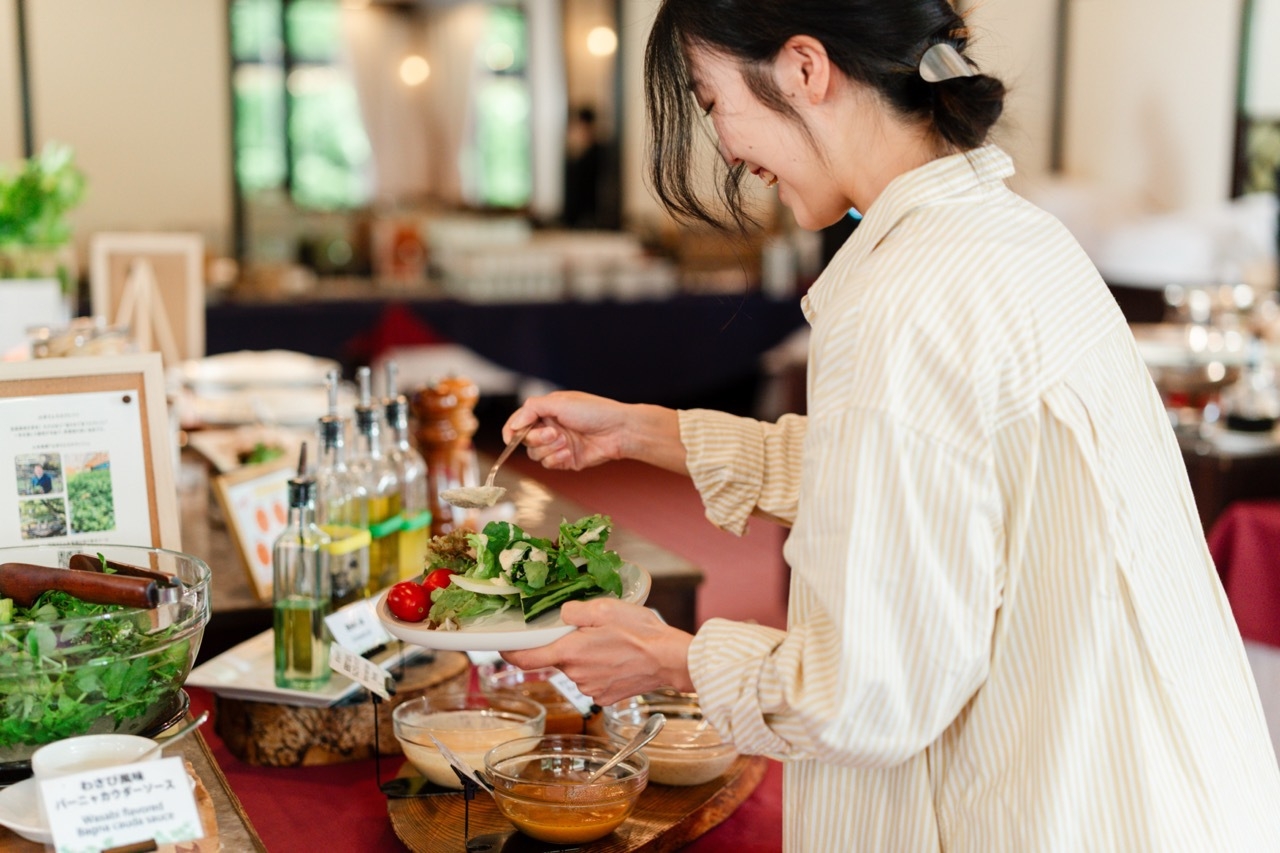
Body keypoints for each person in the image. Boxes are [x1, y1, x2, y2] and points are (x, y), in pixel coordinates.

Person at [499, 1, 1280, 849]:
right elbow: (909, 475)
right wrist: (640, 431)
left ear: (804, 67)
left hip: (1059, 805)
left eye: (713, 99)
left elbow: (871, 692)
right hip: (1170, 789)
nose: (725, 145)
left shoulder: (905, 297)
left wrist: (670, 658)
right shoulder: (1010, 233)